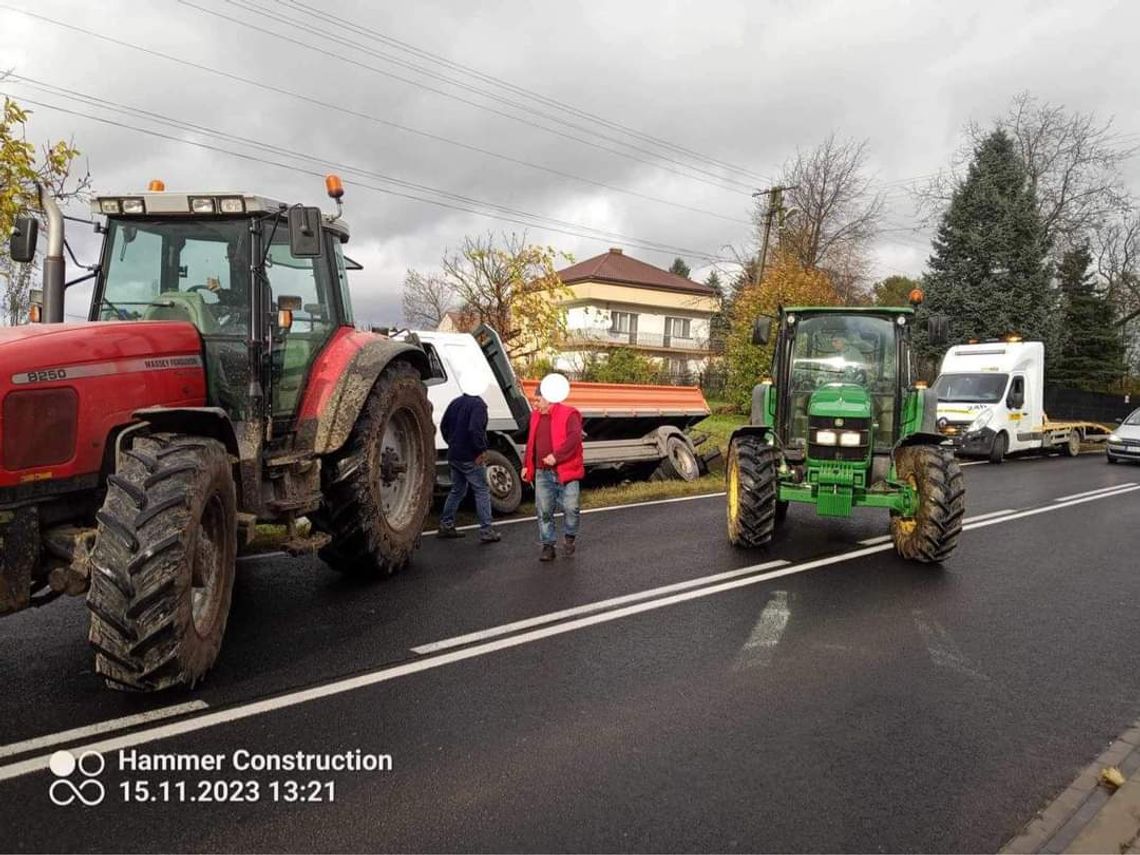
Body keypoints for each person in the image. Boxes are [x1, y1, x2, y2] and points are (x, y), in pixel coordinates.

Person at [521, 373, 585, 562]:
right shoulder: (535, 417)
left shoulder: (569, 414)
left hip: (566, 471)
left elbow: (574, 439)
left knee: (571, 508)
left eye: (538, 399)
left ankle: (570, 537)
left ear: (548, 398)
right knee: (544, 511)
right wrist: (526, 465)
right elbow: (531, 442)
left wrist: (556, 457)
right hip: (542, 472)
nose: (535, 403)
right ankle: (548, 546)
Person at [436, 369, 501, 543]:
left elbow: (443, 426)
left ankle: (446, 525)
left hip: (454, 454)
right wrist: (481, 450)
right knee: (481, 490)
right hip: (470, 456)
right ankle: (487, 531)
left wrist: (452, 442)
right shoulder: (479, 405)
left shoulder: (455, 403)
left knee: (457, 490)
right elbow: (475, 429)